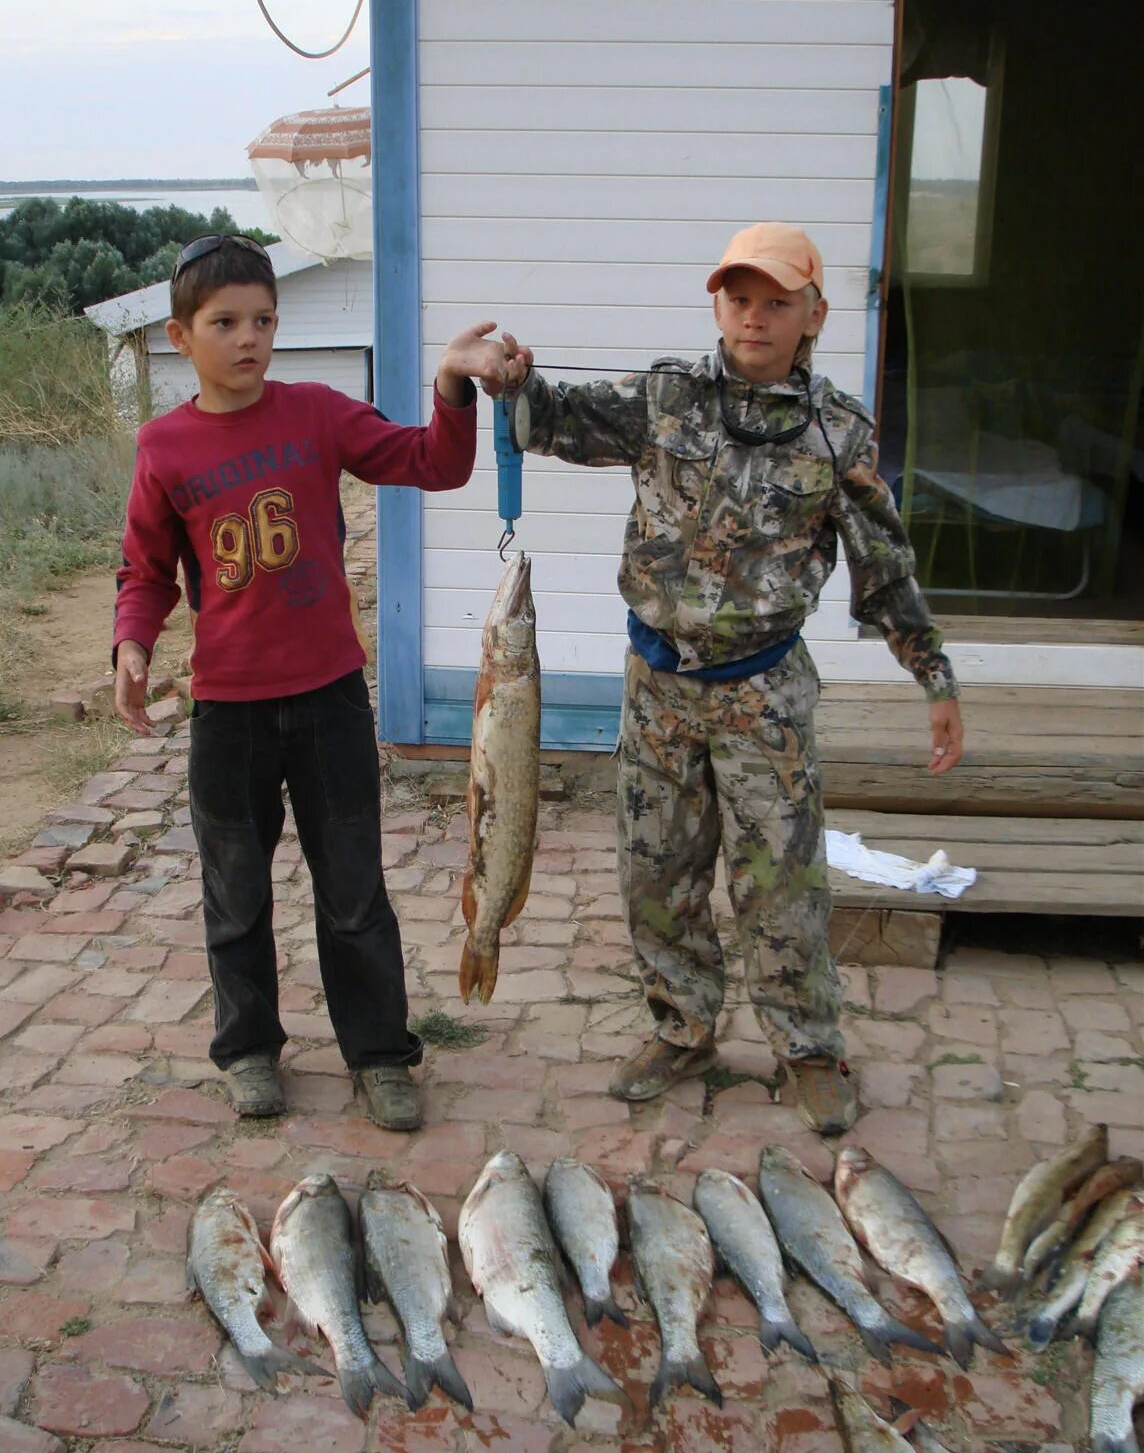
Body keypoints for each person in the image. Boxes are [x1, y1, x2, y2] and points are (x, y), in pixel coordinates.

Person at [491, 223, 963, 1135]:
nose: (756, 316)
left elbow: (885, 567)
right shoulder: (666, 397)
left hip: (763, 692)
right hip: (658, 686)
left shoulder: (839, 433)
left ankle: (808, 1049)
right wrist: (510, 377)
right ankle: (683, 1027)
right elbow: (555, 418)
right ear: (718, 304)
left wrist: (933, 677)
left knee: (779, 880)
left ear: (814, 314)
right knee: (656, 872)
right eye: (740, 297)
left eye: (777, 301)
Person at [113, 232, 515, 1128]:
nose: (249, 337)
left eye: (264, 319)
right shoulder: (164, 448)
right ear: (181, 338)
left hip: (330, 699)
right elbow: (143, 571)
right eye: (225, 322)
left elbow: (435, 464)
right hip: (227, 713)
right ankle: (249, 1050)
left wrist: (452, 384)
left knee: (355, 892)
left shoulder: (318, 414)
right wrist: (133, 645)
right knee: (236, 893)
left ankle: (379, 1056)